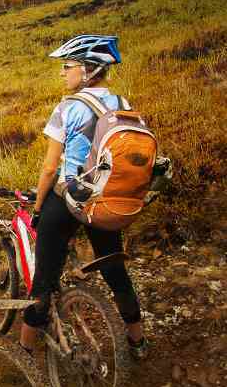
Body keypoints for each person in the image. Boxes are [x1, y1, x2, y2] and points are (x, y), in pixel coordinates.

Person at [20, 35, 148, 360]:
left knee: (43, 279)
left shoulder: (68, 107)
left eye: (68, 66)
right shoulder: (122, 103)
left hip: (69, 198)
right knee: (115, 270)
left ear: (88, 70)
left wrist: (37, 209)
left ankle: (23, 353)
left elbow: (50, 169)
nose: (63, 72)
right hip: (106, 198)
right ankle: (138, 341)